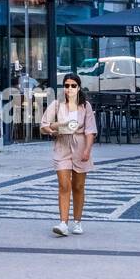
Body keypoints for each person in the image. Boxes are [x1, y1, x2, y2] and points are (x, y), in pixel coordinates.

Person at [40, 73, 97, 237]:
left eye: (73, 85)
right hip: (62, 146)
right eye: (66, 85)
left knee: (78, 186)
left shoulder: (85, 106)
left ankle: (77, 221)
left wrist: (87, 150)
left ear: (78, 87)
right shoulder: (57, 105)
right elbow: (44, 125)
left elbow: (90, 130)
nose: (69, 88)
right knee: (64, 185)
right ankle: (63, 223)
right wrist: (54, 128)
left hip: (80, 147)